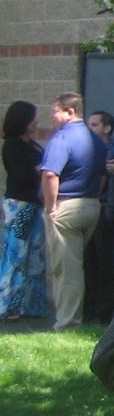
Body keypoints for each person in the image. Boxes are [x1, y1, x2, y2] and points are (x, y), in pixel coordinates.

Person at [39, 91, 106, 329]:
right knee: (76, 263)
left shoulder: (62, 139)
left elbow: (50, 174)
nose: (52, 115)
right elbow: (101, 177)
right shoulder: (96, 140)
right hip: (91, 205)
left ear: (70, 112)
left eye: (55, 110)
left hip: (66, 206)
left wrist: (50, 208)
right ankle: (76, 316)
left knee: (66, 269)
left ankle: (67, 323)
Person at [0, 100, 48, 320]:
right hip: (19, 204)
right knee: (16, 254)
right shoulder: (11, 145)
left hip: (36, 204)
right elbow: (20, 175)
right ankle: (9, 304)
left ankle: (33, 305)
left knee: (36, 255)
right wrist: (39, 170)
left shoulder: (32, 144)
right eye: (32, 118)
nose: (36, 121)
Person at [85, 108, 114, 319]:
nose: (90, 129)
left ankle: (104, 309)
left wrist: (109, 211)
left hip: (105, 209)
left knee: (105, 260)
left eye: (95, 125)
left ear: (107, 128)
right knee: (90, 260)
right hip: (93, 208)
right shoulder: (91, 149)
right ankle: (90, 307)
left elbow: (111, 186)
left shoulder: (111, 151)